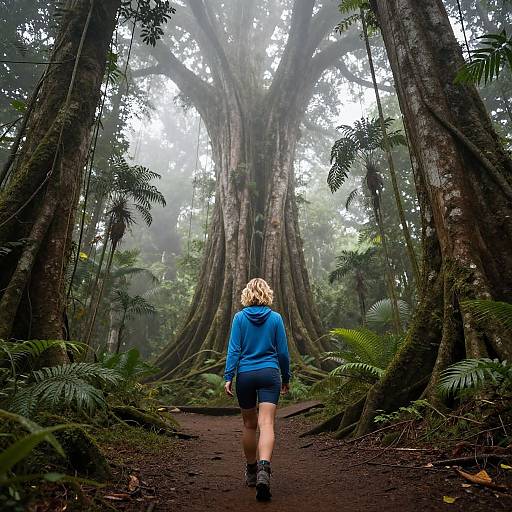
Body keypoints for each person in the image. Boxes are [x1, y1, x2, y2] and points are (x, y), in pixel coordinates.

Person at [224, 277, 291, 502]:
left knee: (249, 424)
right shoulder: (276, 318)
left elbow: (234, 350)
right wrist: (286, 377)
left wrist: (228, 376)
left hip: (245, 375)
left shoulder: (239, 318)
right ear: (267, 294)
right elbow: (282, 352)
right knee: (267, 423)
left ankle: (252, 471)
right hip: (270, 373)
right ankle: (264, 469)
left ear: (247, 295)